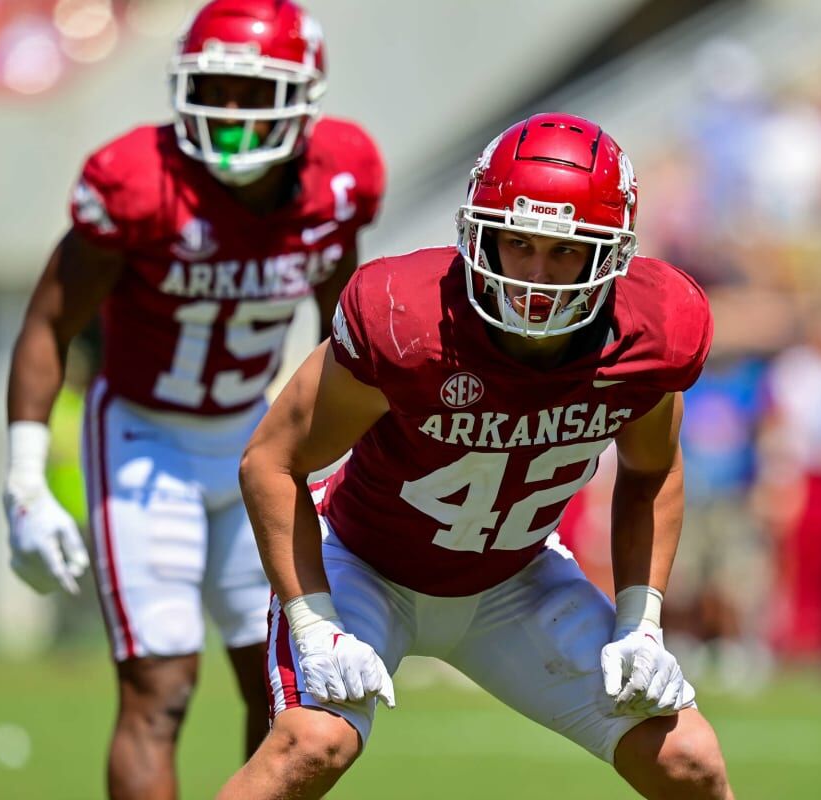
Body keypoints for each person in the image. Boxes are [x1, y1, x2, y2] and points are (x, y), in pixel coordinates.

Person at [222, 113, 732, 799]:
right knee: (312, 744)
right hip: (366, 565)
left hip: (514, 581)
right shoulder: (408, 321)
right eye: (517, 243)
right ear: (478, 237)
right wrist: (314, 624)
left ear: (611, 256)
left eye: (564, 251)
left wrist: (641, 624)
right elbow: (271, 462)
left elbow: (651, 471)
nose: (536, 276)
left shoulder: (651, 333)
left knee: (688, 760)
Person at [2, 1, 384, 797]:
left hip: (254, 441)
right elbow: (48, 322)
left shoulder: (336, 182)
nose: (231, 113)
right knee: (160, 688)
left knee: (280, 686)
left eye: (253, 93)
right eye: (214, 87)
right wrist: (25, 478)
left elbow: (342, 323)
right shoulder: (139, 181)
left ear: (303, 98)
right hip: (145, 440)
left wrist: (341, 447)